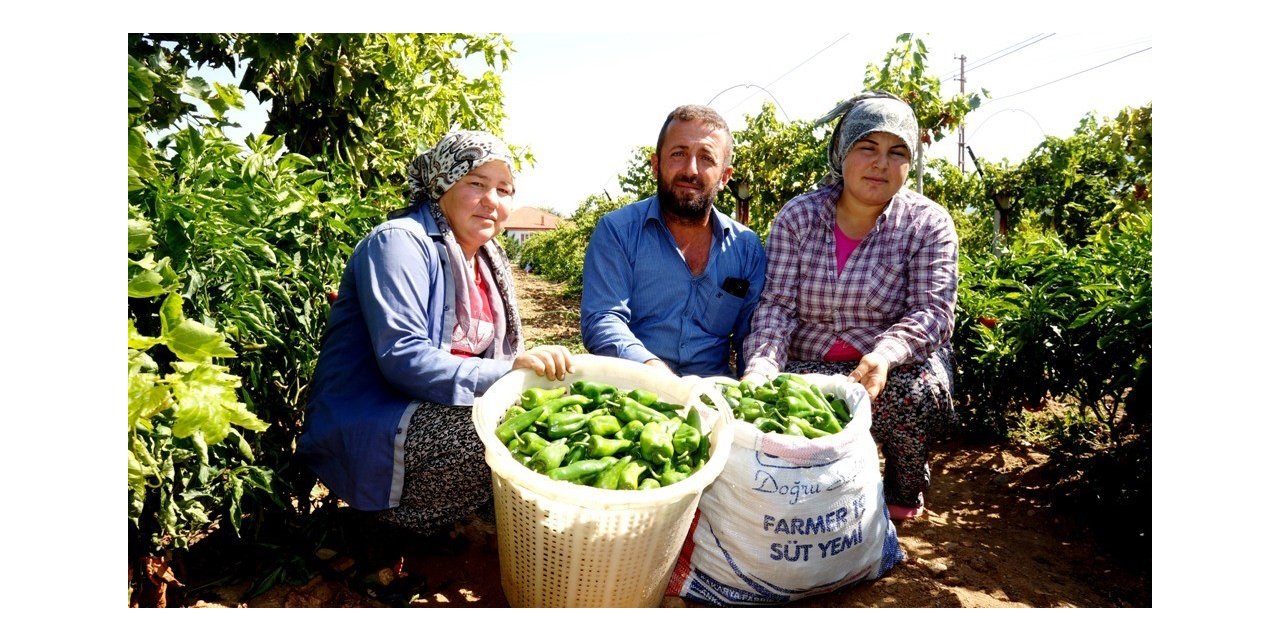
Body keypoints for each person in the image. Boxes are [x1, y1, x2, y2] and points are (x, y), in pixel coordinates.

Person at [297, 131, 574, 539]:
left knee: (546, 420)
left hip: (428, 406)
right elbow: (404, 358)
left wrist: (523, 374)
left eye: (503, 189)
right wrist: (507, 374)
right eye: (476, 184)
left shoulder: (487, 259)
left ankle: (466, 514)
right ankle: (387, 528)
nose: (492, 201)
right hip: (375, 413)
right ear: (441, 185)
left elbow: (496, 353)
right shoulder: (398, 244)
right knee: (491, 441)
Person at [741, 91, 959, 521]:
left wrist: (884, 356)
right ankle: (812, 489)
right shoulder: (799, 217)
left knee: (909, 396)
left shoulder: (928, 223)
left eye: (897, 152)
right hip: (809, 361)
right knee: (771, 401)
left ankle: (904, 484)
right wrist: (761, 367)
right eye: (868, 148)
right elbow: (777, 306)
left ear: (910, 163)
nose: (881, 163)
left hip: (889, 366)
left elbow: (932, 311)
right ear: (842, 153)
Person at [580, 105, 765, 377]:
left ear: (725, 177)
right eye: (678, 154)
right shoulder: (618, 232)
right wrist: (654, 373)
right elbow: (603, 318)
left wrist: (755, 378)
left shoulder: (746, 248)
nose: (691, 170)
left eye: (706, 158)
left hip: (713, 395)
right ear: (656, 165)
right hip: (635, 394)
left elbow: (752, 334)